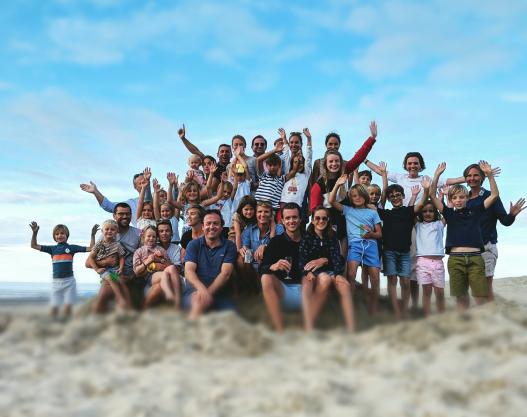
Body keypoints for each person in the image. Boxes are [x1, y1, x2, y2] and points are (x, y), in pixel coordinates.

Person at [429, 161, 498, 310]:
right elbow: (432, 195)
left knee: (480, 296)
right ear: (451, 200)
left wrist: (490, 175)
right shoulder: (448, 213)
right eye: (455, 198)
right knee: (461, 297)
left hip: (475, 258)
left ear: (467, 198)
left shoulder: (476, 211)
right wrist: (436, 176)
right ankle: (465, 325)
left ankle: (486, 323)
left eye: (461, 197)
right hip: (455, 260)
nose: (458, 200)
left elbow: (494, 195)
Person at [464, 163, 526, 301]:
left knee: (485, 287)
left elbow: (505, 221)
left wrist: (512, 215)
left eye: (475, 175)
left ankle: (491, 317)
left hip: (487, 247)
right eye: (468, 175)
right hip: (468, 249)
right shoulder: (463, 199)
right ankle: (484, 315)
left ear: (482, 177)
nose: (472, 178)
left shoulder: (490, 196)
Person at [329, 177, 382, 314]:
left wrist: (371, 234)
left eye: (359, 195)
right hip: (355, 245)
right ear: (351, 198)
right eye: (354, 196)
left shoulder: (372, 212)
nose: (357, 198)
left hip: (371, 245)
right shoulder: (348, 210)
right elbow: (331, 201)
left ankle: (374, 306)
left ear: (365, 196)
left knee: (375, 277)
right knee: (351, 274)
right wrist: (337, 185)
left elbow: (379, 234)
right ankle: (352, 305)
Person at [378, 179, 430, 319]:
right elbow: (374, 203)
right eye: (392, 196)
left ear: (402, 196)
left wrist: (425, 190)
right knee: (392, 281)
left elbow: (421, 204)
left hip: (405, 253)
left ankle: (405, 309)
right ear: (389, 199)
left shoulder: (409, 211)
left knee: (406, 282)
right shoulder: (385, 213)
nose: (395, 198)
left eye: (398, 195)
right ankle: (396, 310)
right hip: (389, 251)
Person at [299, 207, 353, 331]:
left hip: (330, 270)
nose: (321, 221)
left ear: (328, 220)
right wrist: (307, 272)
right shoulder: (306, 238)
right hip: (313, 273)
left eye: (324, 218)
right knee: (324, 279)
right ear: (312, 220)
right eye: (317, 218)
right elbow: (301, 260)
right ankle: (309, 325)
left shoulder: (332, 237)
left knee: (345, 285)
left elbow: (337, 258)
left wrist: (337, 272)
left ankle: (351, 328)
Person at [30, 221, 98, 318]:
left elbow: (91, 248)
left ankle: (66, 324)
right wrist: (34, 233)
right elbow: (34, 245)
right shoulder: (52, 249)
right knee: (54, 308)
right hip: (56, 282)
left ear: (67, 235)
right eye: (57, 234)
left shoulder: (71, 248)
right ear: (54, 237)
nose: (59, 235)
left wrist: (92, 235)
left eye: (62, 233)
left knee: (68, 307)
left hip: (69, 282)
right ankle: (53, 325)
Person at [87, 203, 141, 313]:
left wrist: (132, 276)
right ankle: (94, 323)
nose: (125, 216)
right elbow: (88, 263)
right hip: (112, 275)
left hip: (133, 275)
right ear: (114, 216)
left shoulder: (138, 233)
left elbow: (144, 256)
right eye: (121, 214)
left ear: (131, 215)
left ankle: (130, 318)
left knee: (125, 297)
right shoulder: (106, 235)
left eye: (127, 214)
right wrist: (105, 262)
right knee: (103, 295)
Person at [183, 210, 237, 319]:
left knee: (231, 320)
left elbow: (225, 274)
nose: (211, 227)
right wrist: (202, 291)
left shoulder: (229, 246)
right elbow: (189, 271)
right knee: (199, 302)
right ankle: (188, 333)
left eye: (216, 223)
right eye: (208, 223)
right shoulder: (193, 244)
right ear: (202, 226)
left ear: (222, 227)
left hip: (220, 294)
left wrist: (208, 293)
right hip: (195, 292)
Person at [260, 203, 304, 332]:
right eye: (288, 218)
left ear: (301, 219)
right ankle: (280, 330)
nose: (291, 221)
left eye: (295, 217)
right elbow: (261, 269)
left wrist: (322, 260)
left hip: (307, 292)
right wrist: (273, 266)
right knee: (266, 278)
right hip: (284, 292)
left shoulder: (309, 240)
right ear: (283, 221)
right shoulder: (276, 242)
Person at [309, 121, 378, 187]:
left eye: (336, 144)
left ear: (339, 145)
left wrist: (372, 138)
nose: (333, 147)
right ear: (326, 145)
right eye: (330, 144)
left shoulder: (345, 165)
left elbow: (359, 157)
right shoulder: (318, 163)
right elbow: (312, 185)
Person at [80, 167, 152, 226]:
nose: (144, 184)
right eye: (140, 183)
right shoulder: (130, 204)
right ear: (135, 187)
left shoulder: (157, 197)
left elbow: (149, 199)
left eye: (145, 181)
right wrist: (96, 192)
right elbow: (108, 206)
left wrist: (148, 186)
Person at [238, 200, 283, 291]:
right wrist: (245, 251)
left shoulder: (279, 228)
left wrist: (265, 246)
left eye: (266, 212)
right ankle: (250, 286)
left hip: (271, 265)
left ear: (271, 214)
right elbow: (246, 248)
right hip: (253, 265)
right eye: (260, 211)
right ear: (256, 214)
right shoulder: (249, 229)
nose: (262, 215)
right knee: (241, 258)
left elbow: (279, 249)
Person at [133, 225, 182, 310]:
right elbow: (136, 272)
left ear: (156, 238)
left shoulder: (160, 249)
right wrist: (147, 262)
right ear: (143, 237)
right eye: (149, 236)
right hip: (149, 276)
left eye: (154, 237)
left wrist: (161, 258)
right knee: (165, 274)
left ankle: (177, 300)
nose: (151, 239)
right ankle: (168, 293)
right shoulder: (139, 252)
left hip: (163, 273)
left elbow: (168, 264)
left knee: (172, 268)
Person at [88, 219, 131, 310]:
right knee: (110, 279)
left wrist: (121, 268)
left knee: (121, 282)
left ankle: (128, 304)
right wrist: (97, 269)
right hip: (104, 270)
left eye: (112, 229)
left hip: (114, 269)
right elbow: (90, 258)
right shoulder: (99, 244)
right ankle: (119, 297)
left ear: (116, 232)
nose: (109, 231)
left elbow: (121, 257)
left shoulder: (117, 245)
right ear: (102, 231)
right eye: (107, 229)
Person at [415, 200, 446, 316]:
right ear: (421, 213)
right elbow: (412, 212)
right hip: (422, 262)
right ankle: (427, 317)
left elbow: (447, 213)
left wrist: (441, 200)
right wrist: (417, 196)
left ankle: (442, 316)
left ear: (435, 212)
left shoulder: (439, 224)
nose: (428, 213)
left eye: (431, 211)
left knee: (439, 293)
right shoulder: (418, 225)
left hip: (437, 263)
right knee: (426, 292)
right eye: (424, 211)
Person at [177, 124, 232, 189]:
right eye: (222, 151)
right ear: (217, 154)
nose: (224, 153)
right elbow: (195, 151)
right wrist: (183, 139)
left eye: (227, 152)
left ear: (231, 155)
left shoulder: (232, 167)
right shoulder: (211, 166)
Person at [255, 142, 297, 213]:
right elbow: (258, 160)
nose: (272, 167)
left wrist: (296, 157)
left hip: (272, 211)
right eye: (270, 165)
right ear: (267, 166)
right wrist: (275, 150)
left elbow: (294, 171)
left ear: (279, 166)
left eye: (275, 165)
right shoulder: (264, 176)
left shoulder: (281, 180)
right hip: (258, 207)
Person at [280, 128, 313, 217]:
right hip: (284, 203)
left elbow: (309, 157)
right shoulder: (287, 168)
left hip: (299, 206)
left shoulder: (306, 173)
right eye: (292, 142)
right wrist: (284, 138)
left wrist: (309, 139)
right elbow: (286, 152)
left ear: (301, 144)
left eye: (296, 142)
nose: (294, 144)